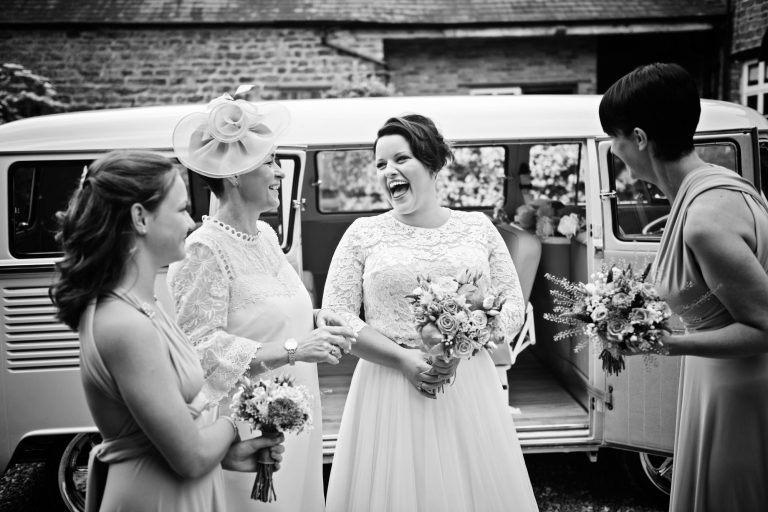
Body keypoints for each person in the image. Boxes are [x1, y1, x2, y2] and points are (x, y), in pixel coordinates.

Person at [322, 114, 539, 512]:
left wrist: (462, 349)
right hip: (388, 385)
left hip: (467, 385)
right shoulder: (363, 233)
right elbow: (336, 313)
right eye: (381, 165)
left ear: (432, 163)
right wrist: (404, 358)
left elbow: (511, 303)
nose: (389, 172)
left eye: (400, 159)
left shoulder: (477, 227)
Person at [50, 150, 285, 512]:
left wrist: (226, 454)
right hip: (155, 498)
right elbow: (190, 456)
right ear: (140, 218)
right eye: (180, 210)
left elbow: (164, 439)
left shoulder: (145, 305)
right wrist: (237, 421)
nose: (191, 223)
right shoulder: (124, 323)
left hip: (178, 490)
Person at [168, 92, 355, 512]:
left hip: (294, 414)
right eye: (270, 162)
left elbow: (267, 312)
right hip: (247, 430)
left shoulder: (267, 238)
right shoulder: (204, 250)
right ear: (234, 174)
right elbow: (198, 348)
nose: (279, 174)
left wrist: (314, 318)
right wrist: (295, 350)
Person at [599, 62, 768, 511]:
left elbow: (766, 328)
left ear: (638, 138)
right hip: (714, 379)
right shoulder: (725, 186)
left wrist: (666, 343)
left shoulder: (705, 221)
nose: (613, 151)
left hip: (738, 394)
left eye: (613, 138)